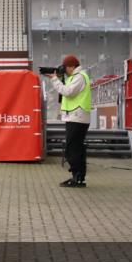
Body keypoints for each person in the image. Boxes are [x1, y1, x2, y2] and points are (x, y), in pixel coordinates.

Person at [45, 54, 92, 188]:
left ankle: (77, 177)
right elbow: (65, 94)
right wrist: (59, 78)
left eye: (65, 67)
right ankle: (78, 177)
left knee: (72, 149)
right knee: (77, 147)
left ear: (72, 66)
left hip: (77, 117)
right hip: (76, 117)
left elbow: (68, 92)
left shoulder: (79, 77)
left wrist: (55, 80)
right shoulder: (75, 77)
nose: (64, 70)